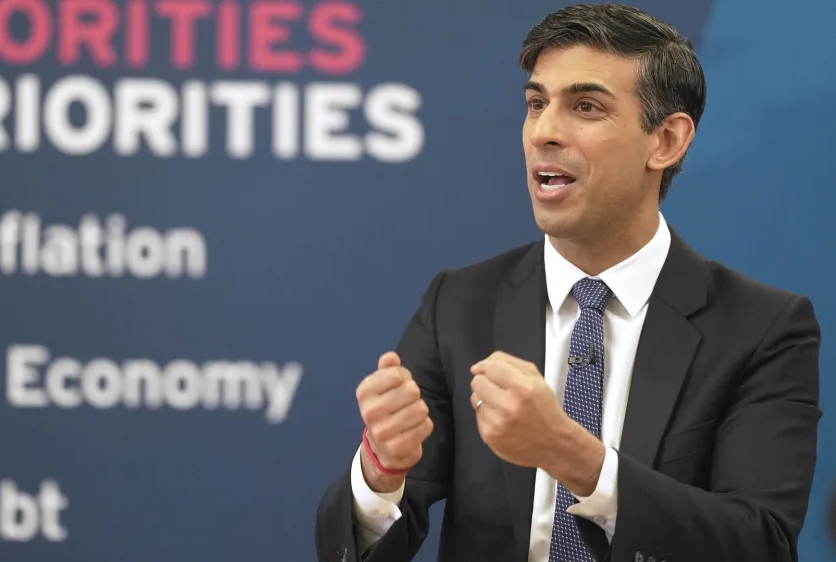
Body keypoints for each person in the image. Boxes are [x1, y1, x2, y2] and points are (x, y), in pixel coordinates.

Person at [314, 4, 822, 562]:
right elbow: (359, 548)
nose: (545, 132)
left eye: (585, 106)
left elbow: (761, 543)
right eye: (536, 104)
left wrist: (574, 458)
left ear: (667, 141)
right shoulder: (459, 304)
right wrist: (382, 471)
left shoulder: (762, 328)